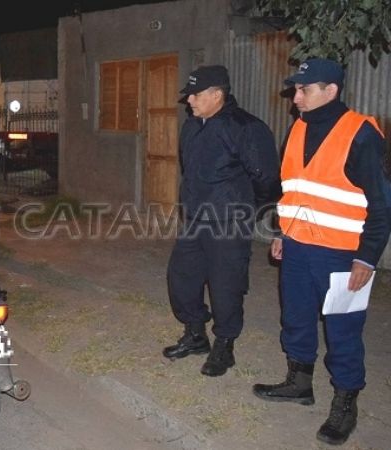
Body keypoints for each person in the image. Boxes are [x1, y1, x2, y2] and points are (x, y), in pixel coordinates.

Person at [252, 58, 390, 446]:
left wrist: (367, 257)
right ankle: (299, 383)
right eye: (295, 89)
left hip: (342, 257)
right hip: (297, 248)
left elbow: (382, 205)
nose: (295, 98)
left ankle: (346, 404)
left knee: (343, 332)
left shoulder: (361, 133)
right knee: (295, 318)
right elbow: (293, 191)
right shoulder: (297, 129)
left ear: (331, 91)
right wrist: (283, 232)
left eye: (303, 90)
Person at [163, 65, 281, 377]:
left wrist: (247, 210)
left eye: (196, 94)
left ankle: (224, 345)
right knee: (181, 278)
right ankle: (196, 333)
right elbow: (189, 170)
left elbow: (267, 177)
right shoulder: (192, 127)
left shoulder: (245, 127)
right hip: (196, 220)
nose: (189, 100)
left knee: (226, 285)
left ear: (217, 95)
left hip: (229, 222)